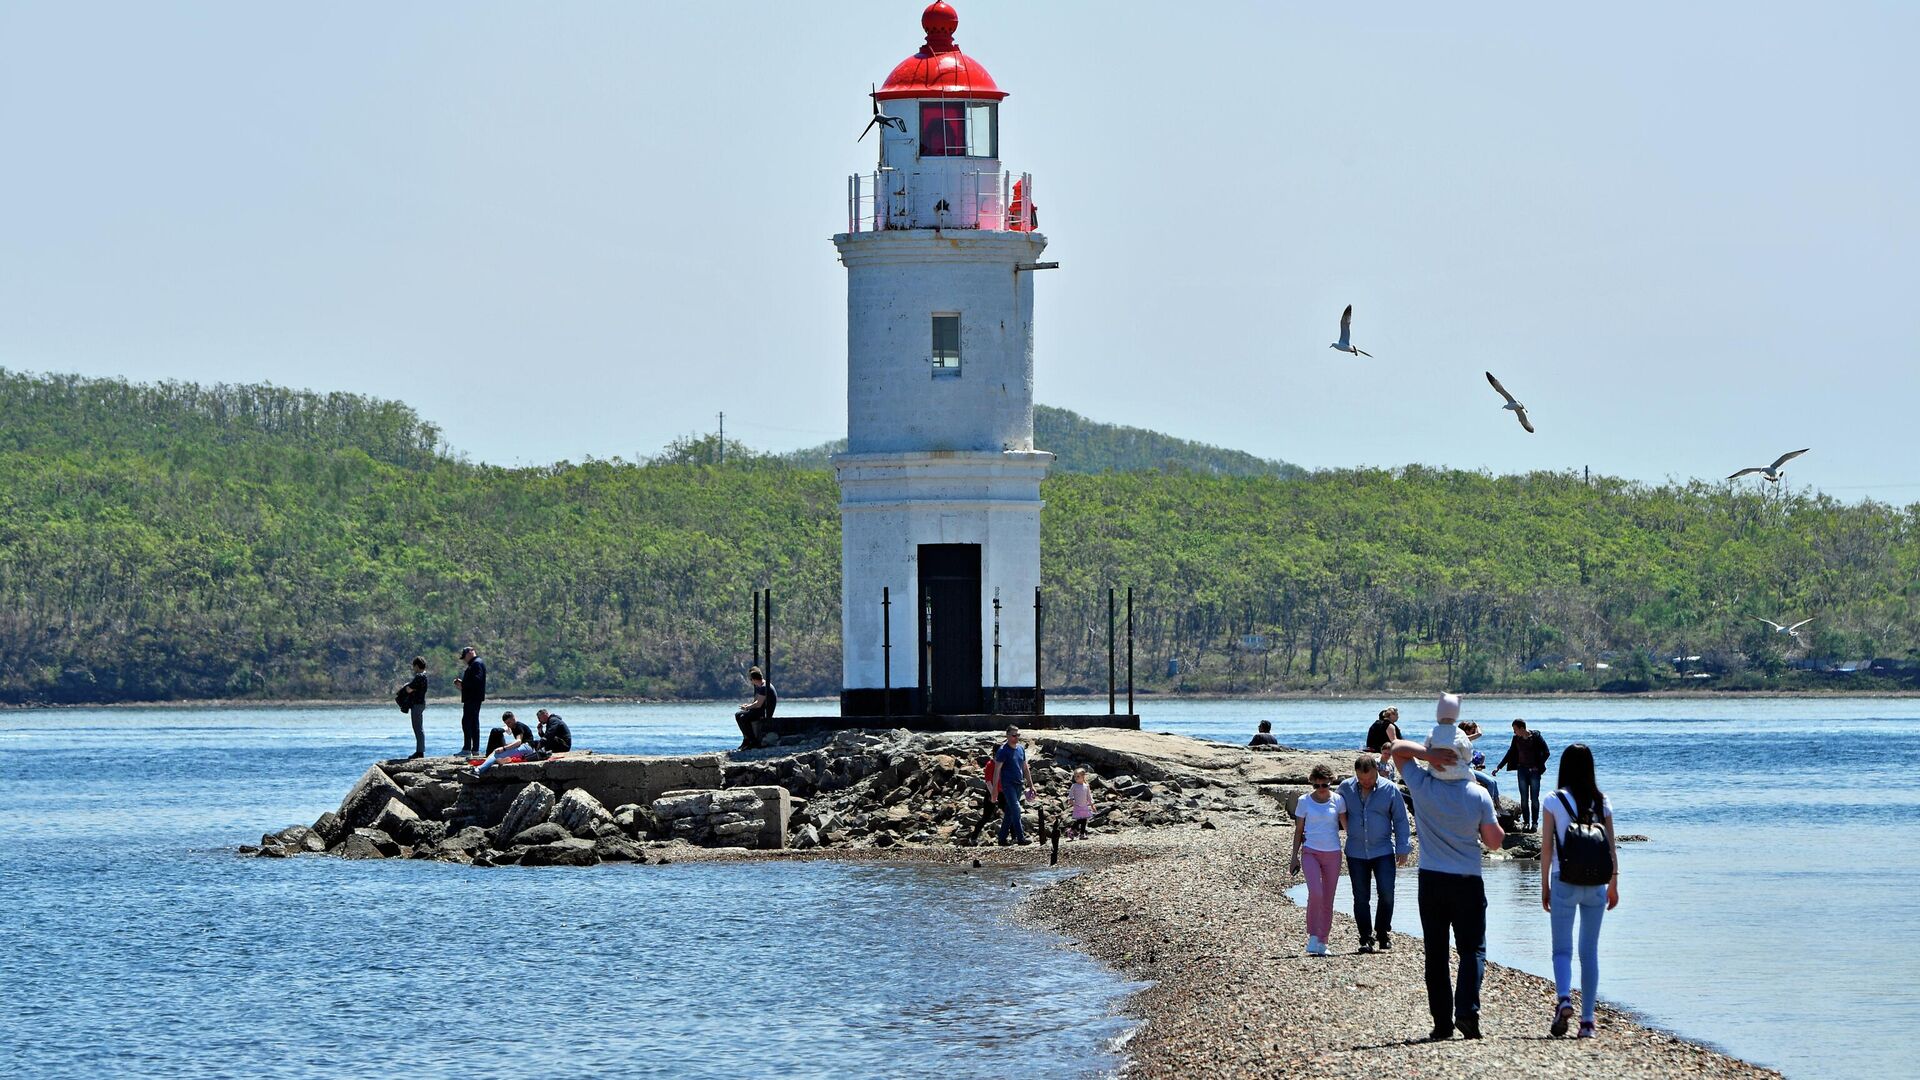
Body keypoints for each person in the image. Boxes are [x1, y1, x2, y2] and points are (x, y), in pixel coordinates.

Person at [1384, 732, 1504, 1041]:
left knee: (1435, 953)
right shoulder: (1478, 794)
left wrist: (1428, 755)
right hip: (1466, 881)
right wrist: (1493, 828)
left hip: (1432, 880)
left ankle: (1441, 1023)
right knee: (1472, 950)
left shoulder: (1423, 786)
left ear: (1436, 758)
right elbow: (1493, 843)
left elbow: (1396, 748)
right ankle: (1466, 1011)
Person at [1540, 743, 1620, 1039]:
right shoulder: (1602, 801)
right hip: (1596, 884)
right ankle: (1587, 1023)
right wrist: (1614, 882)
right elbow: (1611, 846)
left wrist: (1544, 885)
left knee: (1562, 949)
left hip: (1564, 880)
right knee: (1590, 953)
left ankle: (1563, 999)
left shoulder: (1553, 800)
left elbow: (1546, 848)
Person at [1337, 755, 1410, 954]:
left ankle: (1383, 932)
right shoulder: (1345, 788)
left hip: (1383, 850)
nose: (1366, 783)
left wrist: (1403, 847)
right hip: (1356, 852)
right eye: (1361, 780)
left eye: (1369, 779)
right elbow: (1333, 811)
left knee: (1386, 894)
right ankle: (1365, 937)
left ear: (1376, 771)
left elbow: (1401, 820)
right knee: (1361, 897)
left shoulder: (1390, 789)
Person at [1288, 764, 1345, 956]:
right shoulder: (1304, 801)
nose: (1321, 789)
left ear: (1331, 783)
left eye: (1325, 785)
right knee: (1316, 892)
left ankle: (1323, 941)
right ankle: (1313, 936)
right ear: (1312, 783)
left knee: (1328, 898)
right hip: (1310, 852)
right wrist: (1294, 856)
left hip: (1333, 854)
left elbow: (1348, 828)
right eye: (1317, 785)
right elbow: (1298, 831)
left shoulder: (1338, 800)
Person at [1492, 719, 1553, 831]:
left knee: (1534, 798)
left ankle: (1534, 823)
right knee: (1524, 799)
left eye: (1515, 729)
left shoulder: (1536, 737)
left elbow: (1546, 752)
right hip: (1522, 770)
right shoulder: (1516, 739)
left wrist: (1538, 766)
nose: (1514, 732)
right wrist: (1499, 767)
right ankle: (1526, 822)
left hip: (1534, 772)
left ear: (1522, 728)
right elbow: (1510, 753)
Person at [993, 726, 1033, 846]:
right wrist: (994, 789)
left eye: (1018, 735)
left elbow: (1025, 768)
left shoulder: (1021, 749)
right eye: (1014, 735)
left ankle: (1002, 838)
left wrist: (1031, 784)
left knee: (1010, 812)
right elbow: (997, 771)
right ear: (1007, 735)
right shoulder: (1003, 750)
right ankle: (1021, 838)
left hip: (1018, 784)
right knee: (1016, 809)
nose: (1016, 738)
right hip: (1008, 784)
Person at [1425, 693, 1475, 782]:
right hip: (1458, 772)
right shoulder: (1459, 733)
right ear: (1455, 716)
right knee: (1472, 777)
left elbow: (1426, 749)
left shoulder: (1433, 731)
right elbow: (1468, 754)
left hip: (1436, 771)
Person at [472, 711, 535, 775]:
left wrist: (504, 748)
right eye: (507, 724)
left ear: (513, 718)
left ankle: (479, 770)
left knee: (497, 754)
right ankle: (481, 767)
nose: (508, 725)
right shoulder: (513, 726)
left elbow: (518, 741)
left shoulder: (518, 726)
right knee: (495, 752)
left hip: (527, 748)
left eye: (509, 723)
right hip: (524, 748)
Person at [454, 646, 487, 758]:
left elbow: (477, 681)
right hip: (473, 697)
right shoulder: (476, 663)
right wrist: (463, 685)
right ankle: (475, 750)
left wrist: (463, 685)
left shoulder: (476, 664)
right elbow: (474, 682)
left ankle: (468, 748)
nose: (464, 660)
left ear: (470, 653)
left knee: (467, 722)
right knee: (473, 723)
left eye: (464, 657)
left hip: (473, 698)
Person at [733, 667, 777, 750]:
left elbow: (759, 704)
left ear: (754, 679)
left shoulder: (764, 687)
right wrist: (749, 706)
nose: (751, 682)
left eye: (751, 680)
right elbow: (756, 701)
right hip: (760, 709)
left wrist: (747, 707)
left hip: (765, 712)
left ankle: (753, 741)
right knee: (738, 715)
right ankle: (746, 739)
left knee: (743, 718)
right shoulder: (759, 686)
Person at [397, 657, 428, 759]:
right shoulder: (424, 676)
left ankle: (420, 752)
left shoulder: (419, 676)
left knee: (417, 728)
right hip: (420, 703)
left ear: (417, 666)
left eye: (414, 666)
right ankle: (420, 751)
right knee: (419, 728)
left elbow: (410, 689)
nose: (413, 669)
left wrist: (405, 687)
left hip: (417, 704)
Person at [1067, 767, 1094, 839]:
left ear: (1083, 776)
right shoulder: (1074, 786)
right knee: (1079, 820)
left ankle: (1082, 834)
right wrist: (1070, 800)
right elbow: (1071, 794)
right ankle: (1071, 830)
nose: (1076, 778)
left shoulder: (1086, 786)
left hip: (1084, 806)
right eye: (1075, 776)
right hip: (1077, 805)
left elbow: (1089, 796)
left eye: (1078, 776)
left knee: (1084, 820)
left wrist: (1092, 805)